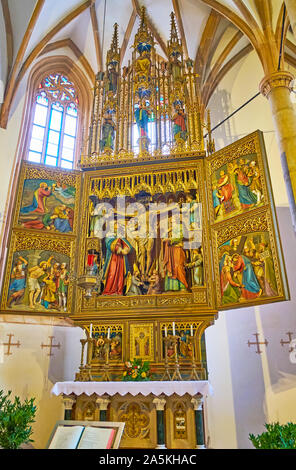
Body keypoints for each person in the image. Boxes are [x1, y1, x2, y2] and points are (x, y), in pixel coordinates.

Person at [102, 225, 133, 296]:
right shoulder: (110, 237)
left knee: (120, 275)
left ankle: (119, 291)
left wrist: (126, 249)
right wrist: (118, 249)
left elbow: (129, 246)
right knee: (111, 273)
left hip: (121, 260)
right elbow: (109, 245)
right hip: (113, 259)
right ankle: (108, 290)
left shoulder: (122, 238)